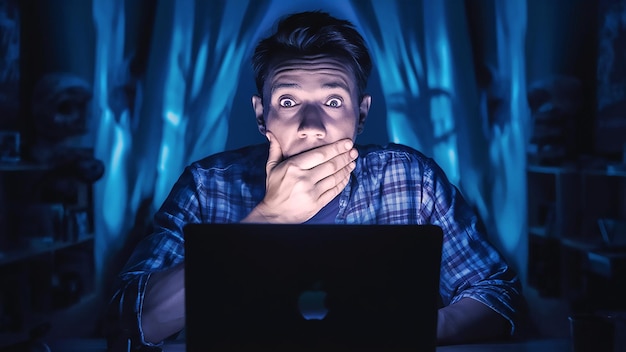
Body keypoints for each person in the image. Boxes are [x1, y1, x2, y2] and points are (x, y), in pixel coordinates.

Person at [104, 10, 523, 350]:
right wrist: (267, 219)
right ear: (260, 113)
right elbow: (132, 321)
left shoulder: (412, 179)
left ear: (361, 115)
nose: (311, 126)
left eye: (333, 101)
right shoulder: (206, 184)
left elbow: (498, 298)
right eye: (287, 101)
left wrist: (408, 332)